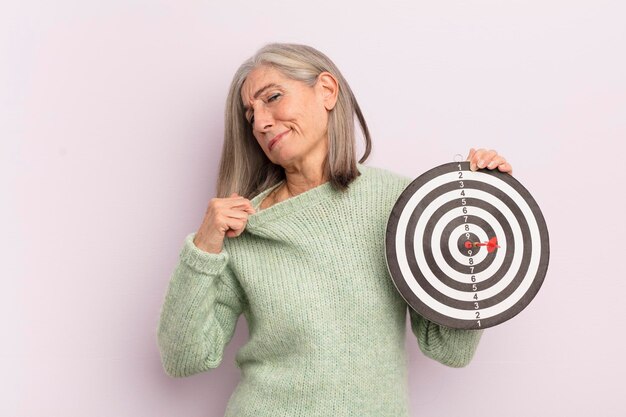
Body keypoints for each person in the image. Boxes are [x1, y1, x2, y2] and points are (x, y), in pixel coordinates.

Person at [156, 42, 513, 416]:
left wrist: (476, 211)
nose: (261, 123)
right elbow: (185, 358)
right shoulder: (245, 227)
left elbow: (449, 349)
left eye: (273, 97)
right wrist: (203, 248)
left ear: (326, 90)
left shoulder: (400, 204)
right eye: (250, 116)